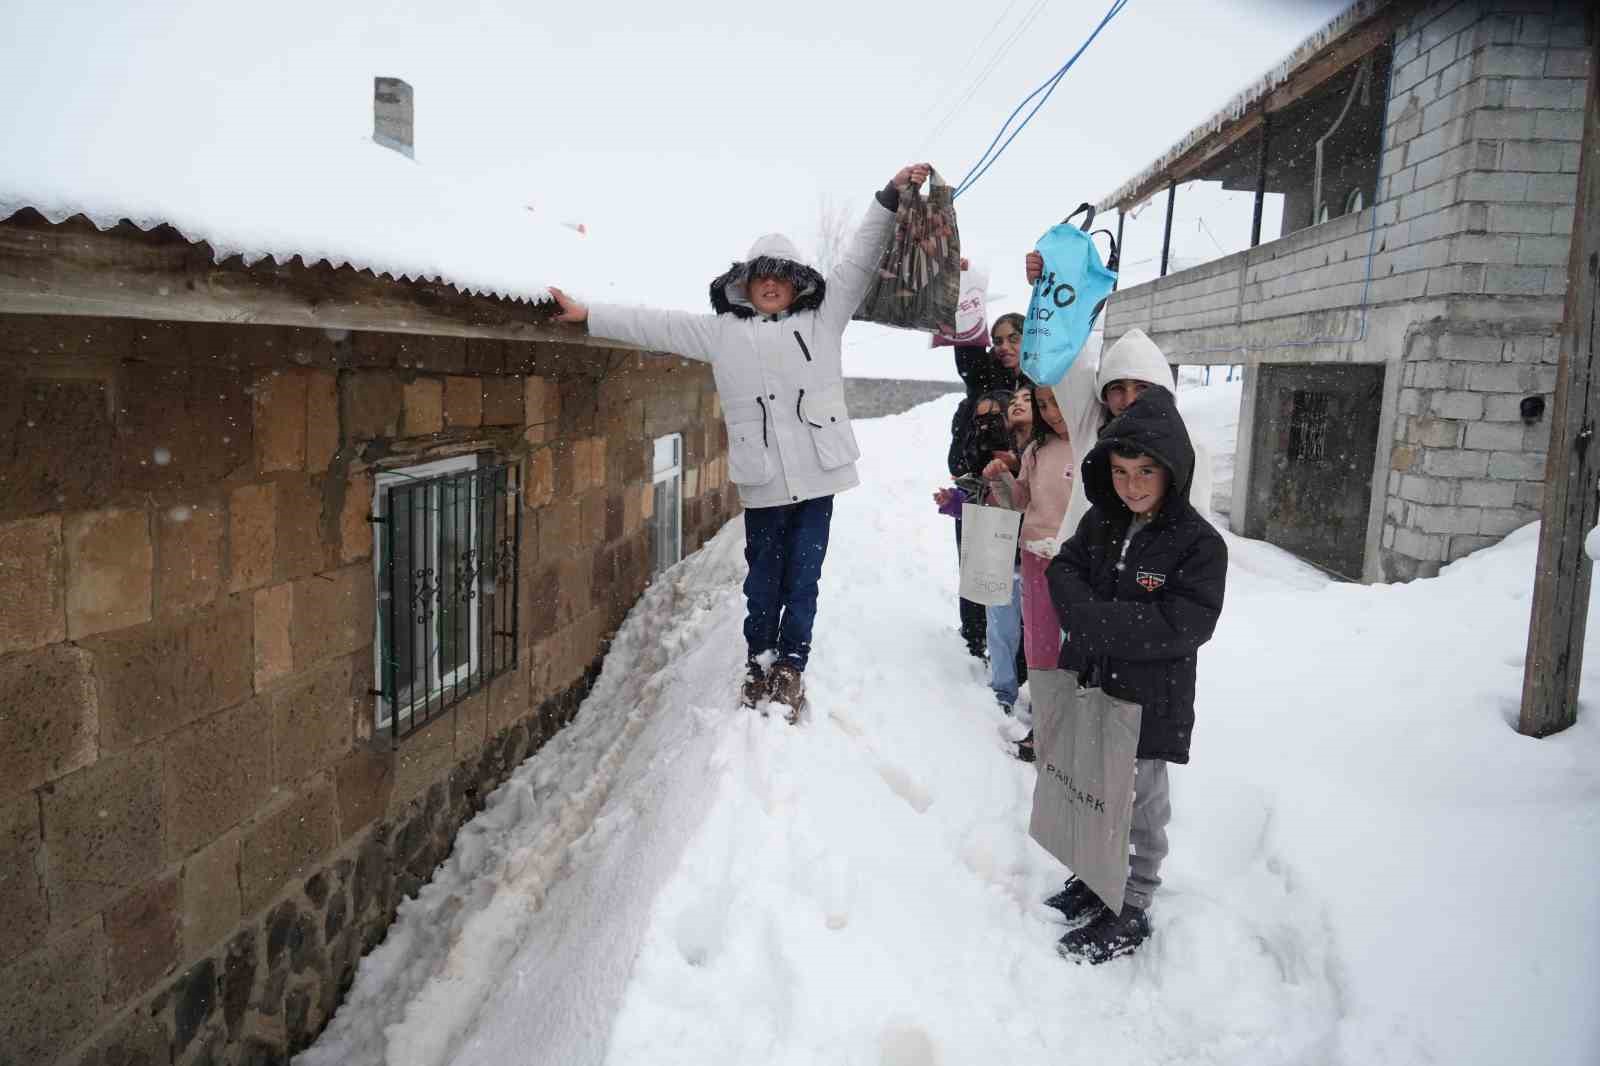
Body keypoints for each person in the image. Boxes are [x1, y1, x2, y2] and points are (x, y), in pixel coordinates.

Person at [549, 162, 934, 721]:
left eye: (781, 275)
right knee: (762, 583)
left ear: (798, 280)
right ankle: (759, 661)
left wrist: (889, 198)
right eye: (760, 276)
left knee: (803, 579)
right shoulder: (721, 333)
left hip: (818, 476)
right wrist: (590, 316)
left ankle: (791, 667)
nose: (771, 283)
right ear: (746, 284)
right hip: (763, 482)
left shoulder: (824, 322)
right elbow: (653, 324)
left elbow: (856, 262)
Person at [1043, 386, 1227, 964]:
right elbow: (1065, 571)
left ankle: (1135, 901)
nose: (1133, 485)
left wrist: (1092, 621)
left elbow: (1182, 624)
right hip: (1092, 685)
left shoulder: (1199, 545)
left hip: (1150, 703)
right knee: (1093, 788)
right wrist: (1087, 617)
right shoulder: (1102, 522)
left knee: (1141, 803)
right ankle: (1097, 878)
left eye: (1147, 470)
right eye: (1120, 471)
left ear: (1174, 468)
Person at [982, 382, 1073, 762]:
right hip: (1034, 555)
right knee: (1040, 643)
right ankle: (1045, 723)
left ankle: (1067, 722)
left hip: (1075, 558)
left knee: (1075, 644)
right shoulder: (1037, 449)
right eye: (1044, 404)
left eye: (1057, 403)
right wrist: (999, 477)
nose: (1052, 412)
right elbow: (1020, 500)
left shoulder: (1091, 443)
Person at [934, 387, 1024, 712]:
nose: (988, 426)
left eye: (996, 417)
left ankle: (1035, 689)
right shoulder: (978, 459)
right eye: (981, 419)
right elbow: (977, 499)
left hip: (1032, 559)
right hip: (998, 560)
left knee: (1034, 633)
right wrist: (953, 502)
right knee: (1000, 630)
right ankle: (1002, 691)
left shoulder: (1031, 456)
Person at [947, 314, 1025, 658]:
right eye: (998, 340)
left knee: (1017, 579)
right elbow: (968, 353)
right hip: (980, 495)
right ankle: (974, 642)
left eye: (1014, 339)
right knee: (979, 571)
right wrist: (966, 301)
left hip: (1027, 496)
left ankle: (1016, 649)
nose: (1004, 346)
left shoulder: (1043, 386)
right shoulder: (980, 388)